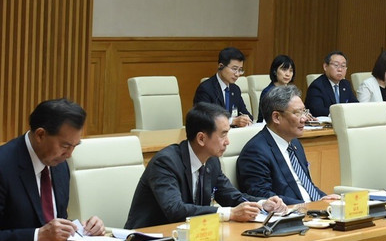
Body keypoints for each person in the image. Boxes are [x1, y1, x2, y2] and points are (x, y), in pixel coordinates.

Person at [125, 102, 287, 229]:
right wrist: (230, 214)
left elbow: (232, 197)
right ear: (201, 138)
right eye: (223, 134)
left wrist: (262, 204)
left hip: (191, 237)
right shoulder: (165, 162)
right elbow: (175, 210)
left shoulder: (211, 161)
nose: (228, 142)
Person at [0, 99, 105, 241]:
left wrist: (83, 229)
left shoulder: (60, 165)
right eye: (65, 146)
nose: (69, 155)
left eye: (75, 146)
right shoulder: (3, 166)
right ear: (40, 135)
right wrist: (38, 235)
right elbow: (44, 231)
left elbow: (55, 221)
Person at [238, 86, 339, 206]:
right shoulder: (255, 152)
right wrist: (308, 206)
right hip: (288, 217)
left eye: (304, 111)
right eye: (297, 113)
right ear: (276, 117)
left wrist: (324, 198)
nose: (304, 118)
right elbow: (263, 196)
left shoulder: (295, 143)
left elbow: (306, 185)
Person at [193, 46, 253, 127]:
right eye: (234, 69)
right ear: (221, 66)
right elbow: (203, 119)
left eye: (240, 70)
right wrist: (232, 121)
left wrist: (246, 118)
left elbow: (245, 113)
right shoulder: (206, 89)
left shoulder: (235, 89)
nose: (237, 74)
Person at [305, 51, 358, 117]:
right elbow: (317, 110)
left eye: (343, 66)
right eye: (336, 65)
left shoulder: (346, 84)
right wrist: (340, 114)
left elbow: (355, 105)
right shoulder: (317, 86)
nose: (340, 69)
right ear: (325, 66)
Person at [256, 54, 296, 123]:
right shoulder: (268, 92)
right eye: (284, 70)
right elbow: (270, 118)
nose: (288, 74)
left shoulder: (292, 91)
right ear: (274, 71)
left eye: (291, 71)